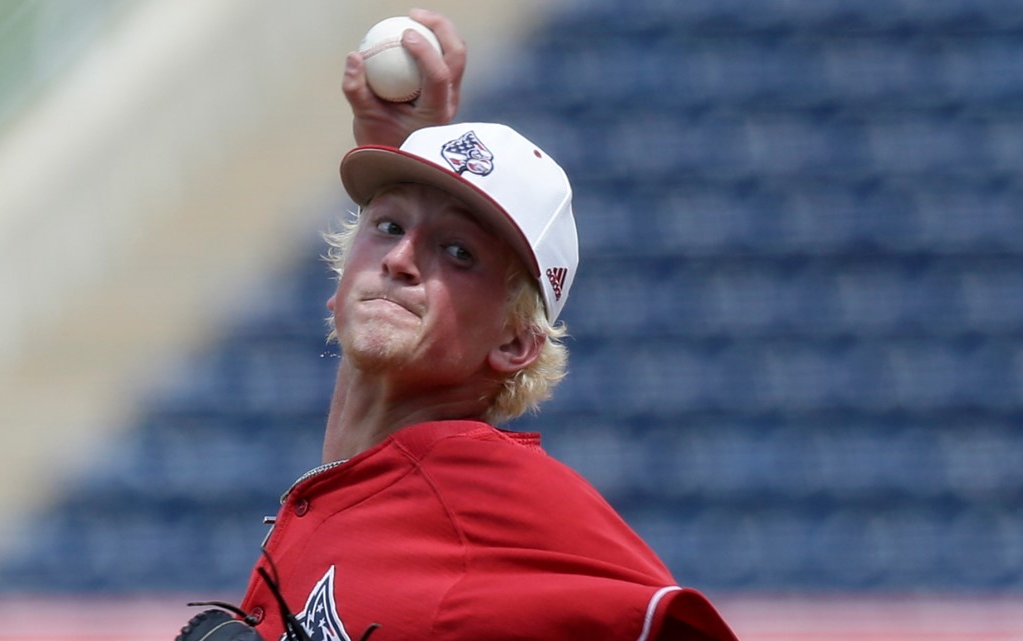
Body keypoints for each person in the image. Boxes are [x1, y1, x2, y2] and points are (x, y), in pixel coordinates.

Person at [177, 8, 738, 641]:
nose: (399, 258)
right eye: (388, 226)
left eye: (458, 253)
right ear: (337, 287)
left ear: (515, 341)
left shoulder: (492, 492)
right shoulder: (355, 490)